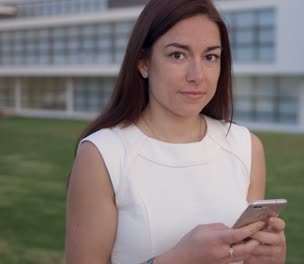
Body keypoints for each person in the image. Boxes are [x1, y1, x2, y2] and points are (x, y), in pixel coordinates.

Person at [65, 0, 287, 263]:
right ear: (143, 62)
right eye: (178, 55)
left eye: (210, 57)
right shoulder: (103, 155)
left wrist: (270, 257)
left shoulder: (245, 147)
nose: (197, 75)